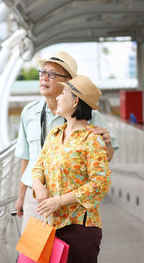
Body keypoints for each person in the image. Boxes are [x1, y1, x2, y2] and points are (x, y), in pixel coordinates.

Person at [14, 51, 118, 231]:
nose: (44, 78)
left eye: (52, 74)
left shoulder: (89, 114)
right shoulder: (29, 113)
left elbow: (105, 159)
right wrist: (21, 196)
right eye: (42, 72)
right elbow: (27, 159)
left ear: (67, 81)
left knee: (63, 254)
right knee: (32, 256)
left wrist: (106, 144)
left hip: (71, 203)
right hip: (36, 197)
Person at [32, 75, 111, 263]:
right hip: (50, 225)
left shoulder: (92, 139)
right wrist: (38, 185)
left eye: (63, 93)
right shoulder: (55, 133)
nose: (58, 97)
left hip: (80, 229)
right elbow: (38, 166)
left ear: (76, 101)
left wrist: (59, 201)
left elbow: (100, 183)